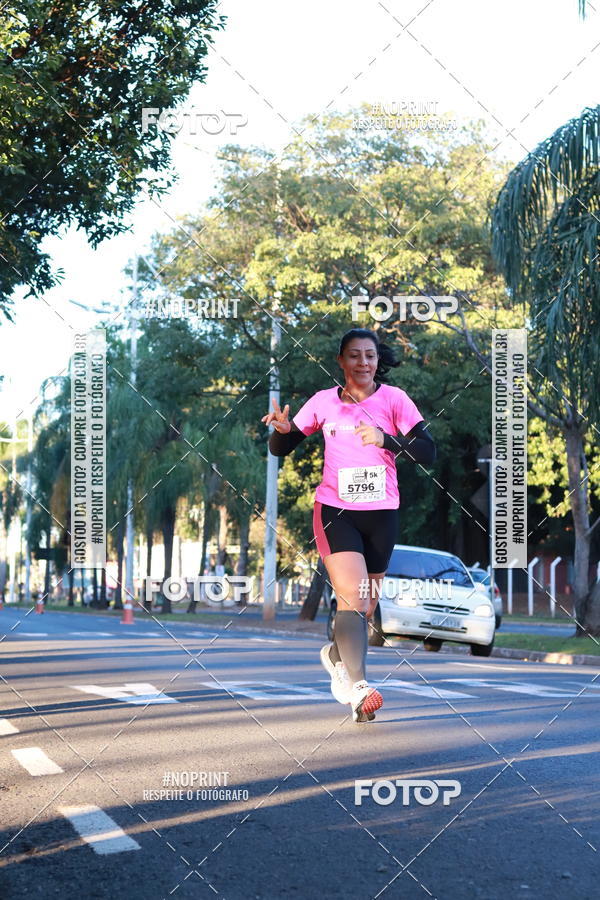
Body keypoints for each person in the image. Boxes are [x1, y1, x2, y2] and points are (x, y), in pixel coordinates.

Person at [262, 328, 436, 723]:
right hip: (335, 511)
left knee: (365, 605)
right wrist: (282, 431)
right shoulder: (323, 402)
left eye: (370, 356)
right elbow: (280, 448)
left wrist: (387, 440)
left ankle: (335, 658)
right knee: (355, 599)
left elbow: (428, 451)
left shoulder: (395, 400)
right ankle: (359, 687)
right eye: (354, 356)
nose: (363, 362)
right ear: (341, 361)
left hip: (382, 513)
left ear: (378, 361)